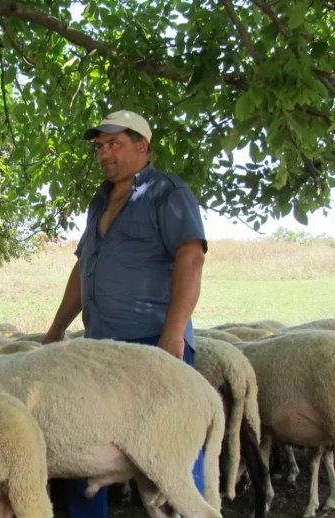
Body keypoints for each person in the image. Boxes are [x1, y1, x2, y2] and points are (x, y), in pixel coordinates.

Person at [42, 110, 208, 518]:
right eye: (100, 146)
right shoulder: (99, 202)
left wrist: (172, 334)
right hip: (99, 348)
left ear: (142, 146)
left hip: (151, 344)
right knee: (81, 445)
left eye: (114, 143)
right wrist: (56, 328)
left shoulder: (168, 193)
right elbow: (84, 269)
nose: (104, 153)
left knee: (169, 453)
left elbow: (191, 257)